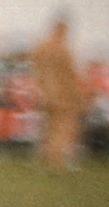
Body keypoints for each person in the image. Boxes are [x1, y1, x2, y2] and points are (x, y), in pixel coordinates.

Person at [31, 17, 86, 171]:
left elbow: (34, 64)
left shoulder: (42, 47)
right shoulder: (64, 50)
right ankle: (56, 159)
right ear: (63, 31)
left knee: (49, 127)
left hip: (46, 94)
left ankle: (44, 155)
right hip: (64, 96)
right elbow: (72, 74)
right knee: (63, 127)